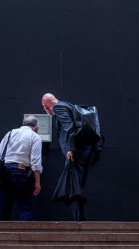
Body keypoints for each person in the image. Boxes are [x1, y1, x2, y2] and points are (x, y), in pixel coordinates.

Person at [42, 93, 100, 221]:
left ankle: (80, 221)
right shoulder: (69, 105)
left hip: (76, 151)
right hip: (87, 150)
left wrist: (70, 149)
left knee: (74, 186)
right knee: (77, 185)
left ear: (45, 104)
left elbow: (69, 128)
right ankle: (81, 218)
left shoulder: (59, 107)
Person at [0, 115, 43, 221]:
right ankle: (27, 236)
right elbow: (35, 162)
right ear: (37, 128)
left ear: (23, 123)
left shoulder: (10, 133)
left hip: (4, 171)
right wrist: (37, 182)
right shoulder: (35, 137)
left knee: (3, 207)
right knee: (25, 207)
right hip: (21, 172)